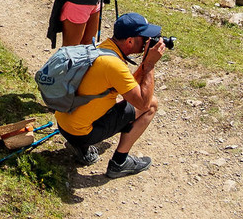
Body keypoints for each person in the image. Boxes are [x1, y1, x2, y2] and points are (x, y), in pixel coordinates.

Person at [50, 11, 163, 179]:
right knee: (152, 104)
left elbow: (127, 87)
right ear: (130, 41)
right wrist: (150, 65)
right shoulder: (114, 65)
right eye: (144, 38)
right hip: (80, 133)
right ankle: (119, 163)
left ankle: (80, 147)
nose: (147, 42)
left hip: (64, 124)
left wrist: (145, 62)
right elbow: (142, 103)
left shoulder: (103, 48)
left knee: (113, 101)